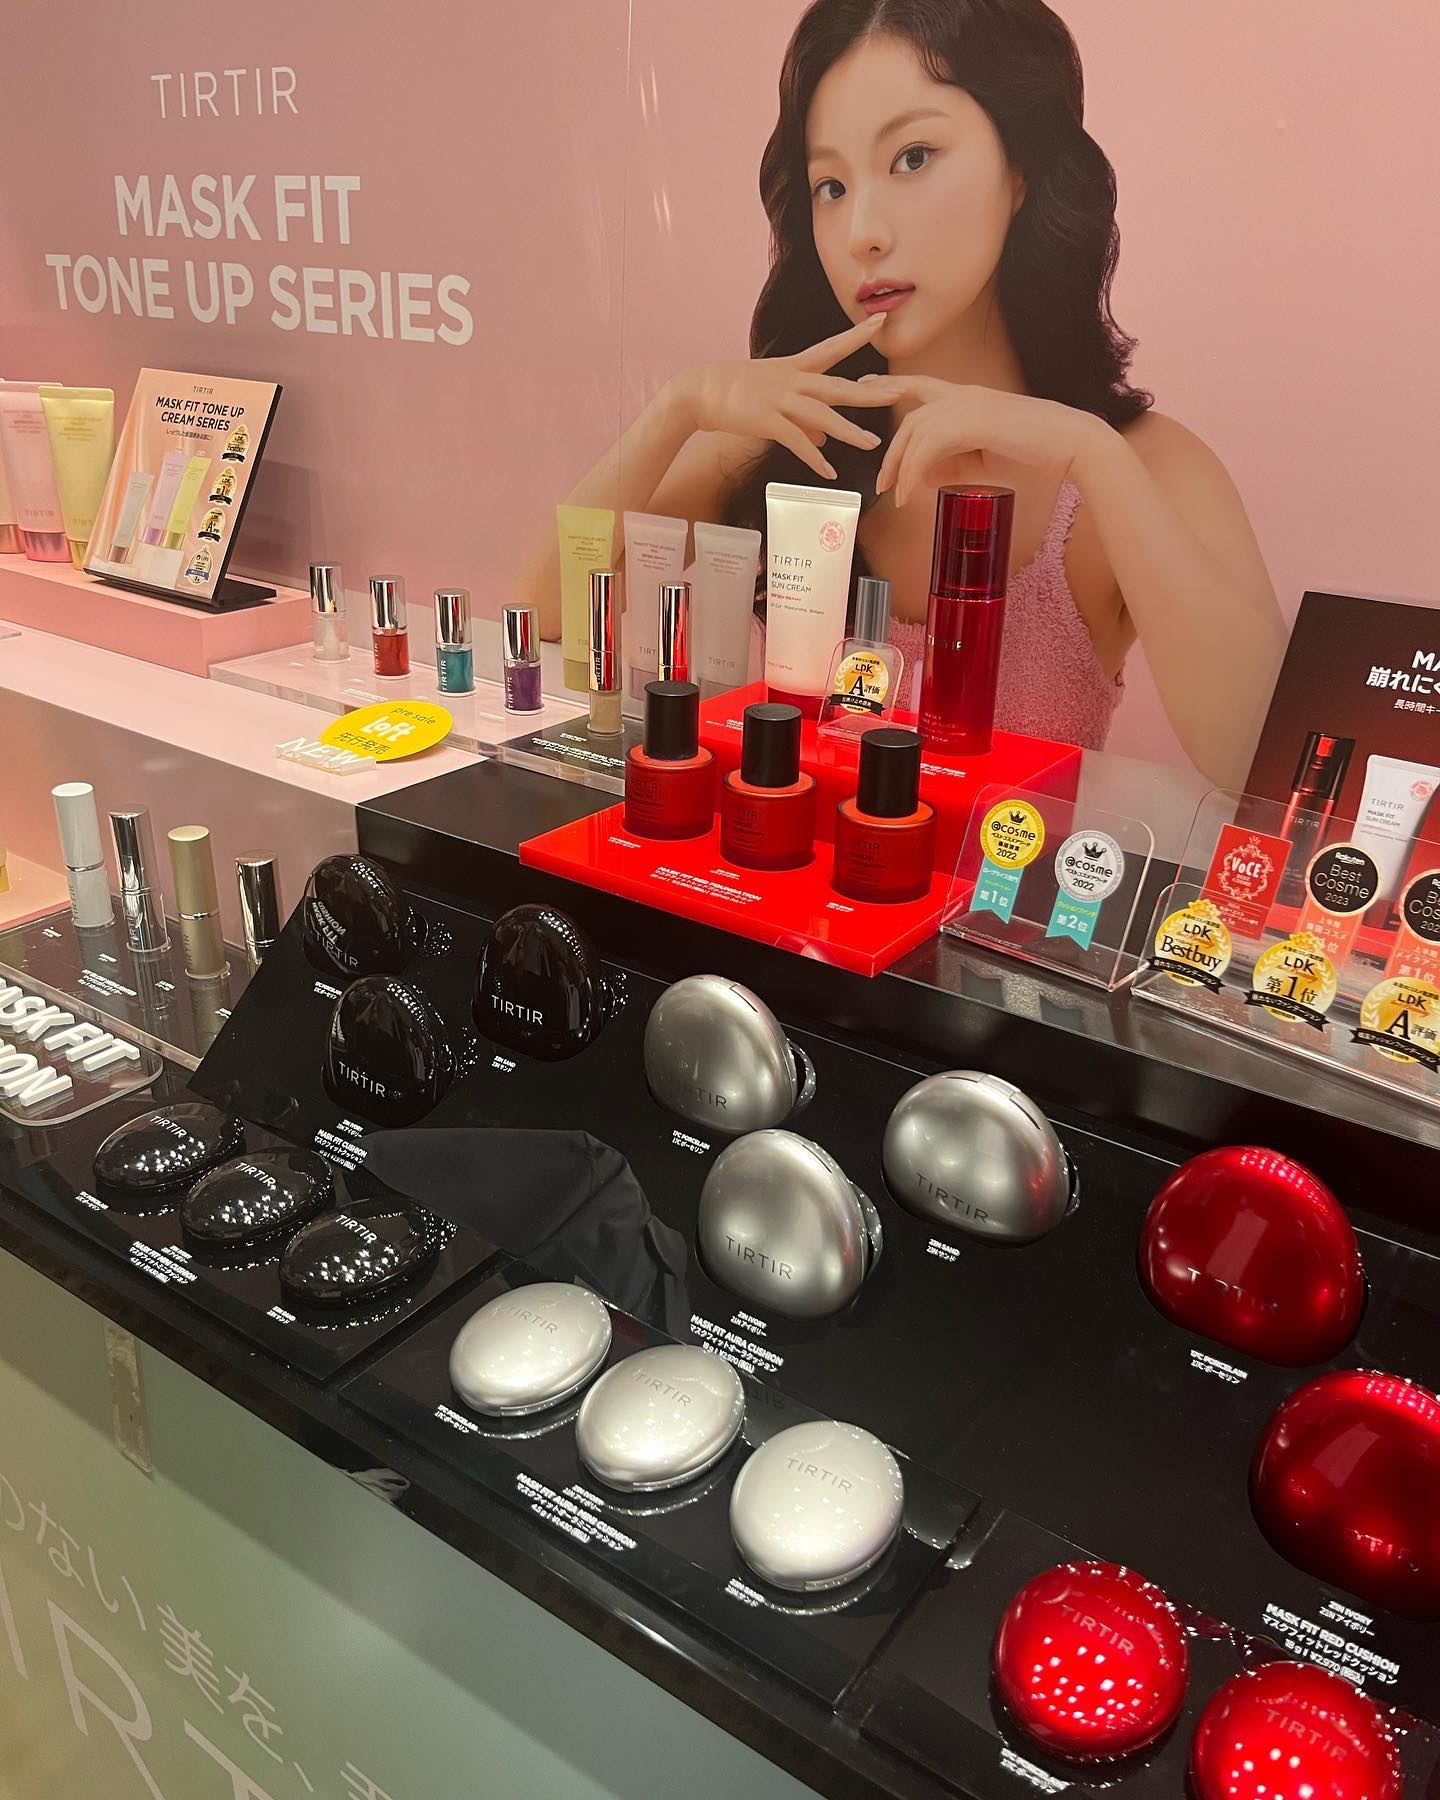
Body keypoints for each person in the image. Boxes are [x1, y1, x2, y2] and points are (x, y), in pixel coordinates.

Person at [530, 0, 1285, 786]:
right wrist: (676, 408)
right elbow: (543, 623)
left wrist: (1089, 453)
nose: (863, 231)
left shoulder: (1139, 465)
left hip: (1003, 872)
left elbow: (1258, 761)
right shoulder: (786, 439)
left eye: (913, 157)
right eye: (830, 185)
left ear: (1021, 167)